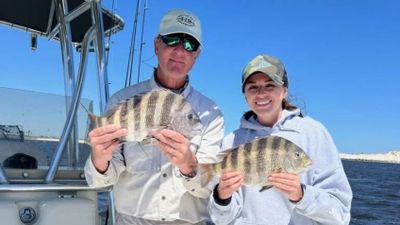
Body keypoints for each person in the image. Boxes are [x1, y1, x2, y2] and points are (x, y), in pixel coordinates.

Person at [84, 9, 224, 225]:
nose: (180, 50)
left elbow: (208, 188)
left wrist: (189, 166)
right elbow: (102, 181)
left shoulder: (211, 113)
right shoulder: (121, 100)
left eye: (190, 45)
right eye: (172, 40)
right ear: (157, 45)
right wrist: (99, 159)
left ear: (196, 55)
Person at [208, 54, 352, 225]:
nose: (261, 94)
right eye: (253, 87)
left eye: (270, 86)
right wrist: (222, 197)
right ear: (245, 95)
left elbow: (340, 215)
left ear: (284, 91)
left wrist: (302, 195)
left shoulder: (314, 133)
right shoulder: (232, 141)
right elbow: (221, 219)